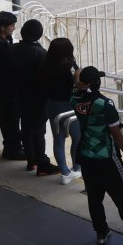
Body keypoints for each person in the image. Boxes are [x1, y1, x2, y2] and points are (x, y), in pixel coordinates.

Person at [72, 66, 123, 245]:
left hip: (86, 156)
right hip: (107, 157)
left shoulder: (74, 99)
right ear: (96, 83)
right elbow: (115, 132)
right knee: (122, 193)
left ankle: (101, 232)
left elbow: (77, 87)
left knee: (94, 196)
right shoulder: (105, 104)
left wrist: (80, 82)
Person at [12, 19, 60, 176]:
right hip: (38, 99)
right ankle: (42, 165)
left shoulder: (13, 50)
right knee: (39, 132)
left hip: (19, 96)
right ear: (39, 34)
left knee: (26, 128)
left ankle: (31, 160)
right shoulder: (41, 54)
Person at [39, 37, 81, 184]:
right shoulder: (69, 65)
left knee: (58, 140)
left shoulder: (46, 64)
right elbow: (77, 81)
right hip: (67, 107)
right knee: (78, 138)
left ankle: (64, 173)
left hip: (51, 105)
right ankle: (77, 168)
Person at [0, 10, 23, 160]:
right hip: (3, 84)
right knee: (10, 115)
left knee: (9, 113)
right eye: (12, 25)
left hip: (0, 82)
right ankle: (12, 148)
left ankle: (13, 145)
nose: (14, 28)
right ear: (2, 27)